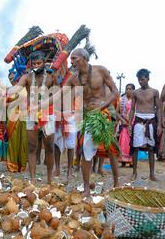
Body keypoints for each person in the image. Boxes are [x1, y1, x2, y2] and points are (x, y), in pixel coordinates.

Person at [49, 48, 120, 197]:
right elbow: (60, 94)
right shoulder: (74, 78)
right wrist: (40, 105)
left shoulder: (101, 71)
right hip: (88, 116)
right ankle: (87, 188)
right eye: (71, 59)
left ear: (84, 58)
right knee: (86, 149)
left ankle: (116, 183)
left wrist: (102, 106)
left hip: (104, 113)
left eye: (74, 58)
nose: (71, 62)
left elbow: (115, 91)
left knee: (110, 149)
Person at [7, 51, 57, 184]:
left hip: (48, 113)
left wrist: (46, 103)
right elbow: (17, 88)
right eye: (34, 63)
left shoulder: (52, 77)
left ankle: (50, 178)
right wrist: (6, 91)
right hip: (31, 114)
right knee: (32, 147)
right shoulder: (27, 77)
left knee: (50, 147)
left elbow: (57, 94)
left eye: (39, 63)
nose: (36, 66)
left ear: (44, 63)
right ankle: (33, 179)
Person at [128, 69, 162, 181]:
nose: (140, 82)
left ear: (148, 79)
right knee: (135, 147)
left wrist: (159, 124)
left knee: (151, 148)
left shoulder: (155, 92)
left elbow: (158, 109)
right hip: (138, 120)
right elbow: (132, 109)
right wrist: (129, 124)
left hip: (151, 120)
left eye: (142, 79)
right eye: (139, 80)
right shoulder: (135, 92)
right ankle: (134, 172)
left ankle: (152, 174)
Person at [6, 71, 28, 173]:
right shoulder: (8, 90)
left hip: (25, 117)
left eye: (14, 77)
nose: (12, 80)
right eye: (10, 78)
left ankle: (22, 165)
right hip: (12, 118)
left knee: (24, 141)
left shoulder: (26, 89)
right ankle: (12, 165)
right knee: (13, 141)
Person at [118, 84, 135, 167]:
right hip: (124, 124)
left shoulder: (136, 100)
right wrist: (122, 120)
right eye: (127, 88)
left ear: (133, 90)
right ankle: (123, 161)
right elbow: (117, 113)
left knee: (131, 143)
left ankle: (131, 161)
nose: (128, 90)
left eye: (130, 89)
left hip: (133, 124)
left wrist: (131, 122)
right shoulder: (121, 100)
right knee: (123, 142)